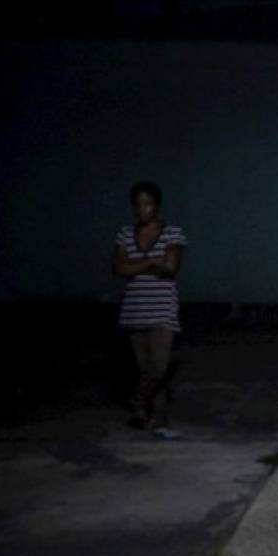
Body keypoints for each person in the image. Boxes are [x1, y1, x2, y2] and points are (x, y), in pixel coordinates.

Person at [113, 181, 188, 429]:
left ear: (157, 205)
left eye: (148, 204)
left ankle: (137, 405)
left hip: (162, 309)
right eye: (139, 205)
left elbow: (171, 267)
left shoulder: (172, 232)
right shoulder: (125, 234)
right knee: (144, 368)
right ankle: (156, 416)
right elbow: (119, 268)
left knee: (158, 368)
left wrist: (138, 265)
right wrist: (150, 262)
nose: (144, 209)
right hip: (134, 310)